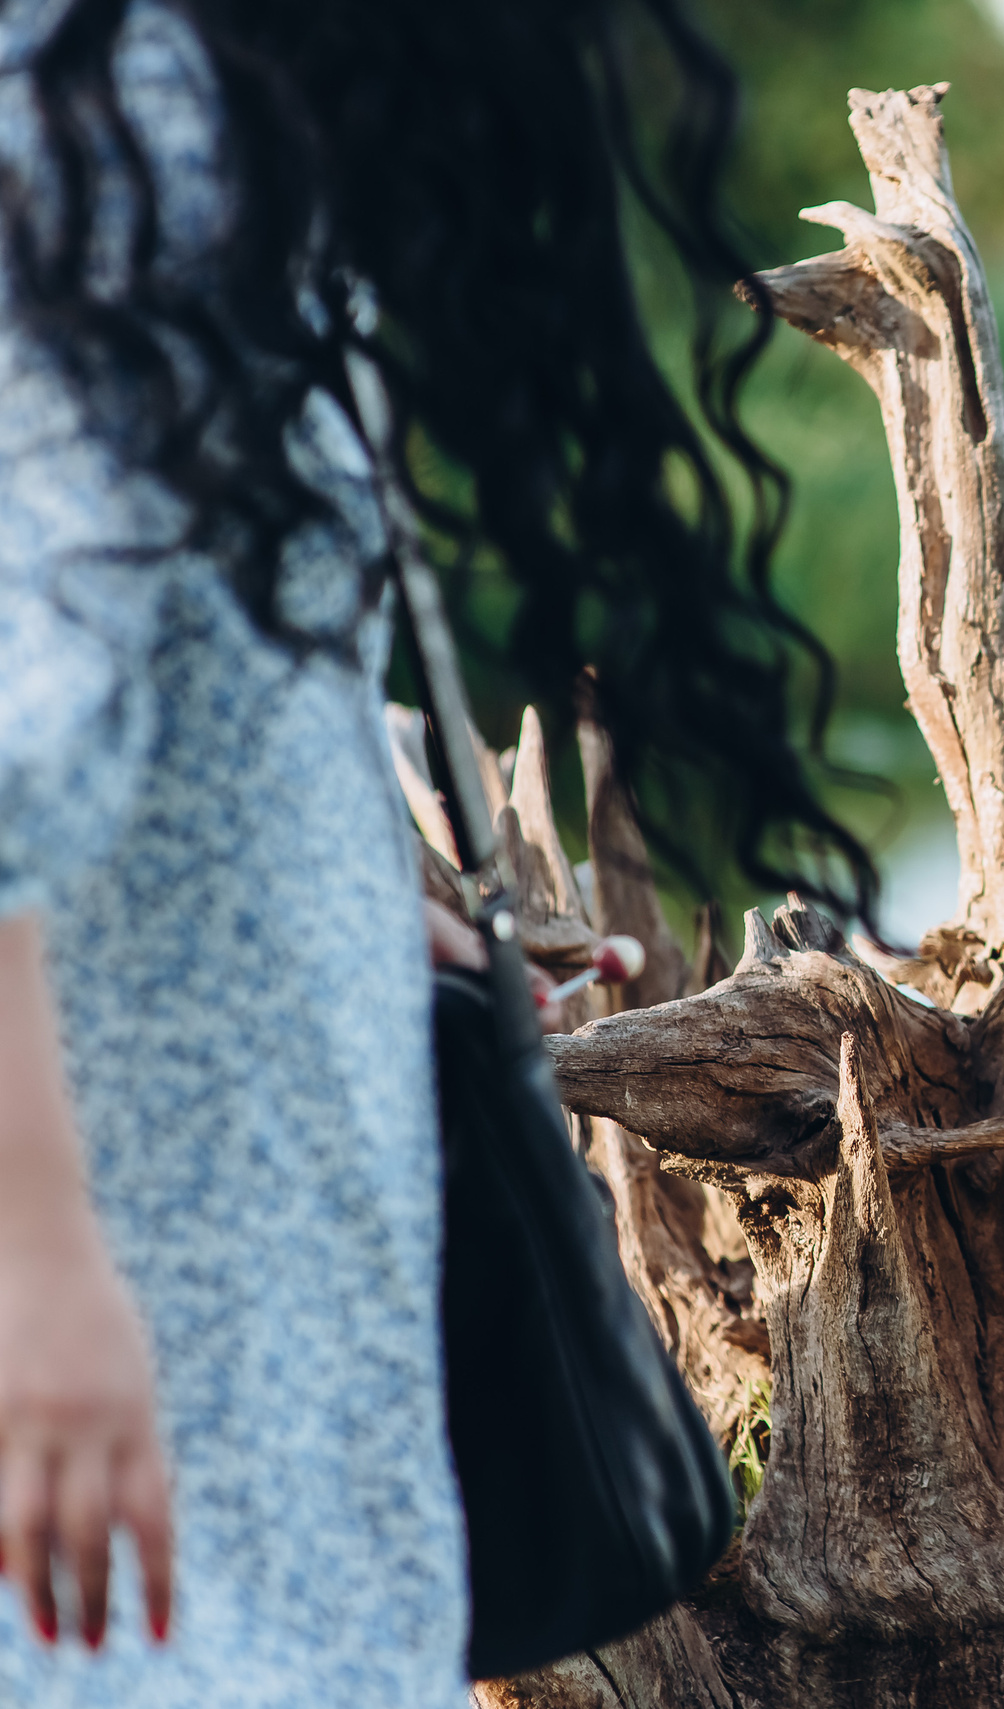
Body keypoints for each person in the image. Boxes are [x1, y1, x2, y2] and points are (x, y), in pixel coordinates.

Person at [0, 2, 870, 1703]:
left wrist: (350, 917)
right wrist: (34, 1267)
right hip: (143, 1336)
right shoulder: (109, 115)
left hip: (238, 1309)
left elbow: (182, 677)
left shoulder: (196, 99)